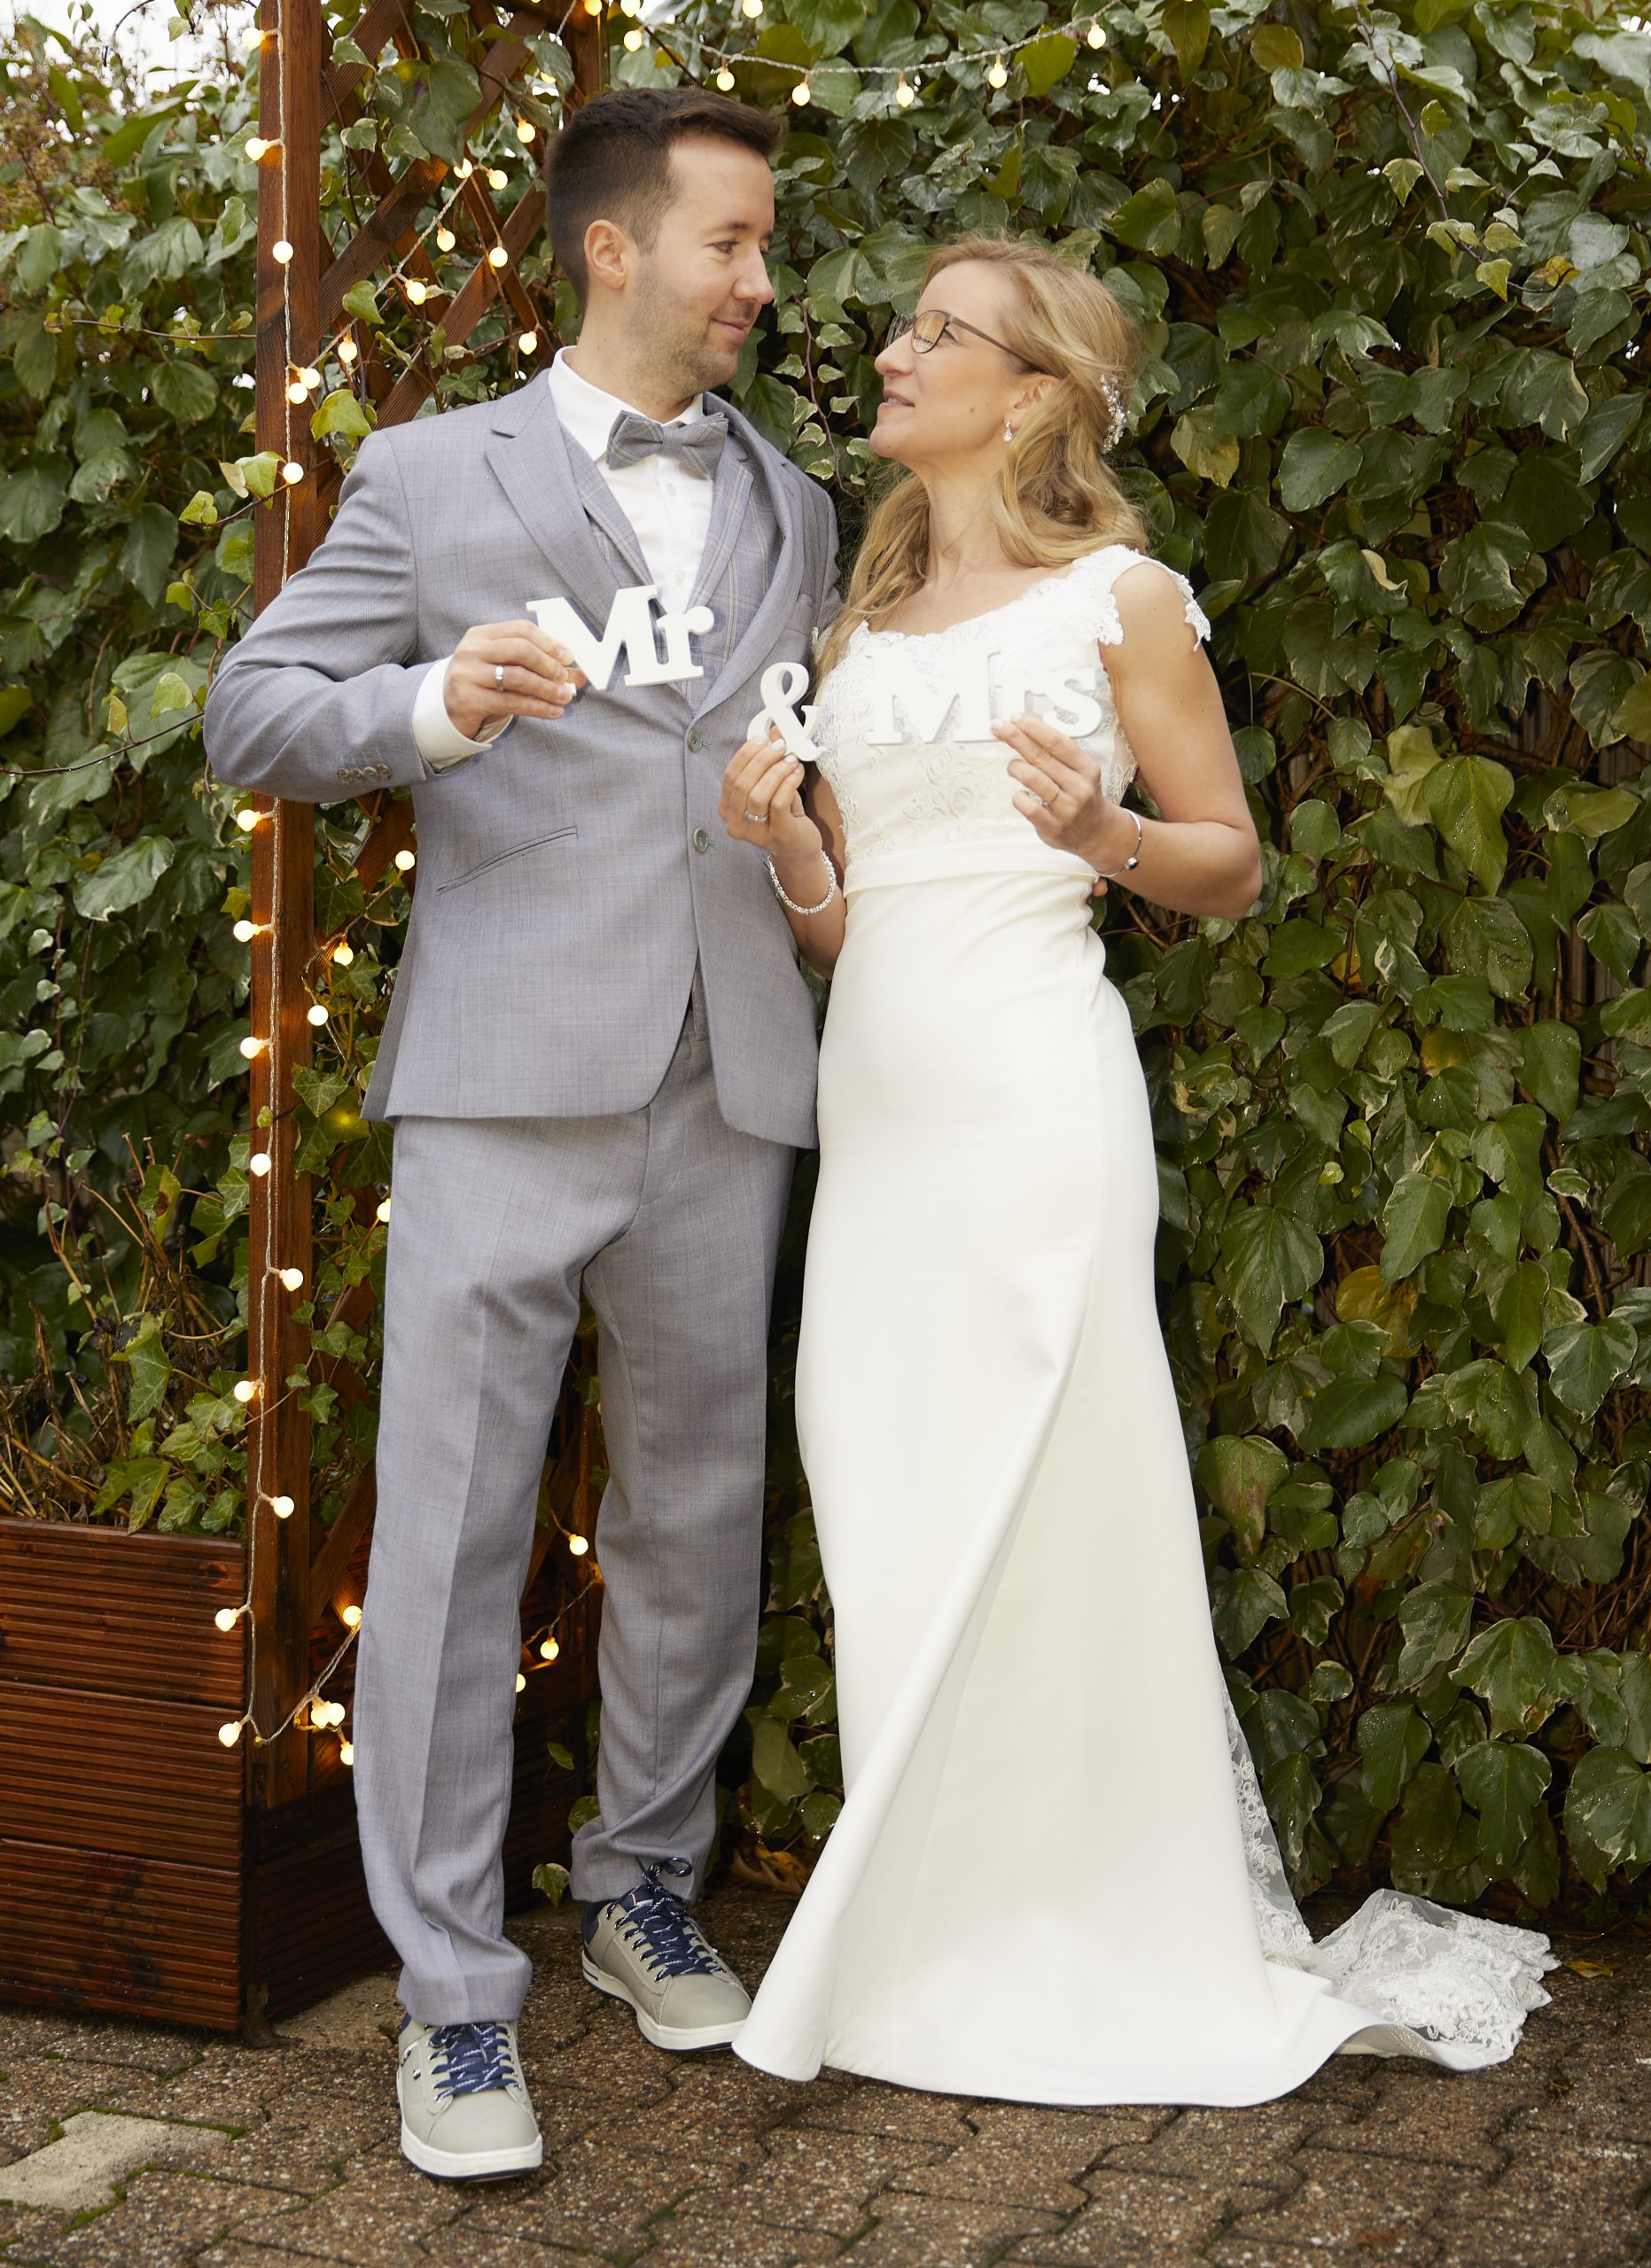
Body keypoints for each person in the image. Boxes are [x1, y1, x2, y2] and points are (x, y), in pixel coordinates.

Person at [719, 237, 1554, 2105]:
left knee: (1050, 1500)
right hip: (885, 1128)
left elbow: (1230, 860)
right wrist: (782, 845)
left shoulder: (1123, 596)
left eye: (935, 331)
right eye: (905, 325)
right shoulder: (864, 622)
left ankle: (1078, 1929)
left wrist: (1104, 829)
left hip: (1036, 1110)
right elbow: (847, 930)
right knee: (889, 1500)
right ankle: (934, 1934)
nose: (893, 350)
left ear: (1031, 393)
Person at [202, 88, 839, 2178]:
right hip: (497, 1076)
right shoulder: (423, 471)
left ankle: (644, 1881)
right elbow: (250, 713)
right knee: (456, 1529)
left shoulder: (800, 504)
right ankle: (455, 1995)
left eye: (764, 248)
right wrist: (428, 708)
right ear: (613, 247)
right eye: (733, 243)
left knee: (696, 1515)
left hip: (730, 1070)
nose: (761, 282)